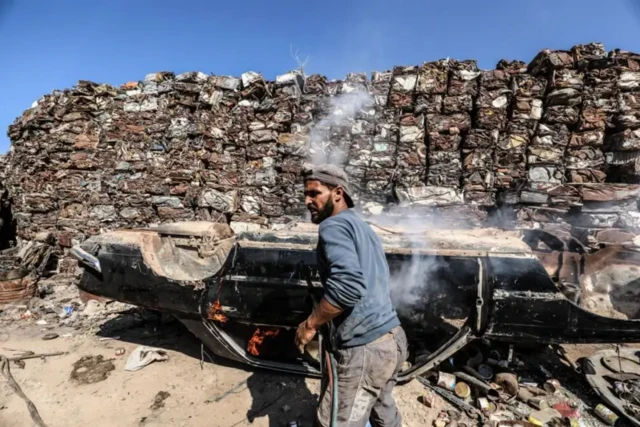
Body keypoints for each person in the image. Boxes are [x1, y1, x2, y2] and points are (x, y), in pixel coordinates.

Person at [295, 163, 408, 427]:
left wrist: (310, 325)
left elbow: (347, 287)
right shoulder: (360, 225)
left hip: (366, 349)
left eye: (314, 193)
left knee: (335, 421)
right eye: (305, 194)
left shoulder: (332, 226)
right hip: (392, 339)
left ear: (338, 193)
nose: (307, 201)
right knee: (383, 412)